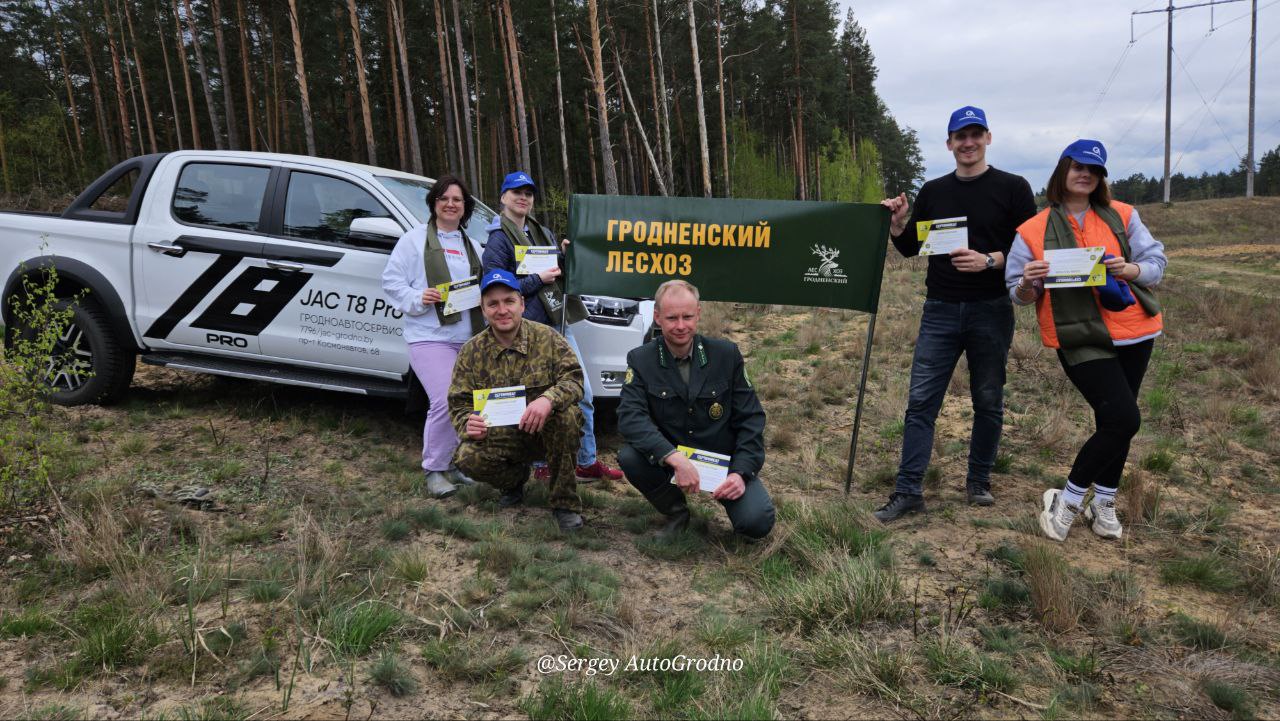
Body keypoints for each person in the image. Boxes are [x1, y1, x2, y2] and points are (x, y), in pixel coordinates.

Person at [874, 106, 1038, 523]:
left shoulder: (1014, 188)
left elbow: (1028, 250)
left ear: (987, 138)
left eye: (975, 134)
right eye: (959, 136)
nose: (968, 143)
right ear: (949, 144)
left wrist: (989, 260)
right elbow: (912, 247)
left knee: (988, 399)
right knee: (921, 403)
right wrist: (898, 224)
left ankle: (978, 481)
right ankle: (908, 491)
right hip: (940, 310)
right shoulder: (934, 190)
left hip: (991, 309)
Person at [1005, 140, 1166, 542]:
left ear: (1101, 178)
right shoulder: (1032, 229)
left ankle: (1105, 501)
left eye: (1094, 170)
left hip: (1134, 331)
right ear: (1063, 171)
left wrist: (1129, 268)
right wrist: (1029, 282)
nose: (1086, 174)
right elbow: (1017, 293)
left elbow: (1156, 265)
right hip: (1077, 336)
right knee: (1124, 419)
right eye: (1078, 167)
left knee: (1116, 421)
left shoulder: (1123, 216)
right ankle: (1068, 500)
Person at [480, 171, 623, 483]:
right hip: (526, 331)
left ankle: (586, 461)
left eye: (528, 193)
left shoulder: (540, 231)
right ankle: (541, 464)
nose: (523, 197)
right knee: (538, 398)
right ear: (503, 198)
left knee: (582, 391)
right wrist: (536, 280)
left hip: (558, 322)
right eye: (516, 192)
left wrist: (566, 255)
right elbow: (493, 287)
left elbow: (554, 269)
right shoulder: (498, 240)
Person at [616, 280, 775, 541]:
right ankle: (676, 512)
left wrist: (741, 472)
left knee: (757, 523)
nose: (680, 326)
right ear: (657, 317)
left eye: (687, 317)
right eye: (672, 318)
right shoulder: (641, 359)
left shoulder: (726, 355)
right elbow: (630, 418)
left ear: (698, 314)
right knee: (631, 457)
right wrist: (674, 459)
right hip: (673, 460)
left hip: (722, 462)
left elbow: (751, 419)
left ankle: (737, 500)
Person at [448, 269, 587, 531]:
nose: (502, 310)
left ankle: (564, 504)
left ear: (521, 304)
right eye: (493, 304)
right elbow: (459, 402)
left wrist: (548, 400)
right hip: (501, 436)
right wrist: (468, 422)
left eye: (509, 301)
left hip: (546, 433)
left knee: (567, 417)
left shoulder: (548, 338)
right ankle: (513, 481)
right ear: (483, 309)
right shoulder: (471, 352)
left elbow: (574, 380)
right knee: (466, 457)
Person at [381, 174, 483, 499]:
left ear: (465, 207)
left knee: (467, 402)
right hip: (428, 336)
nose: (451, 204)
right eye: (444, 199)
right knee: (444, 398)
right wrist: (418, 297)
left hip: (468, 338)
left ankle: (454, 464)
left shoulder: (474, 247)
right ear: (434, 203)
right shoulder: (413, 241)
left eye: (457, 200)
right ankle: (434, 469)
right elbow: (391, 282)